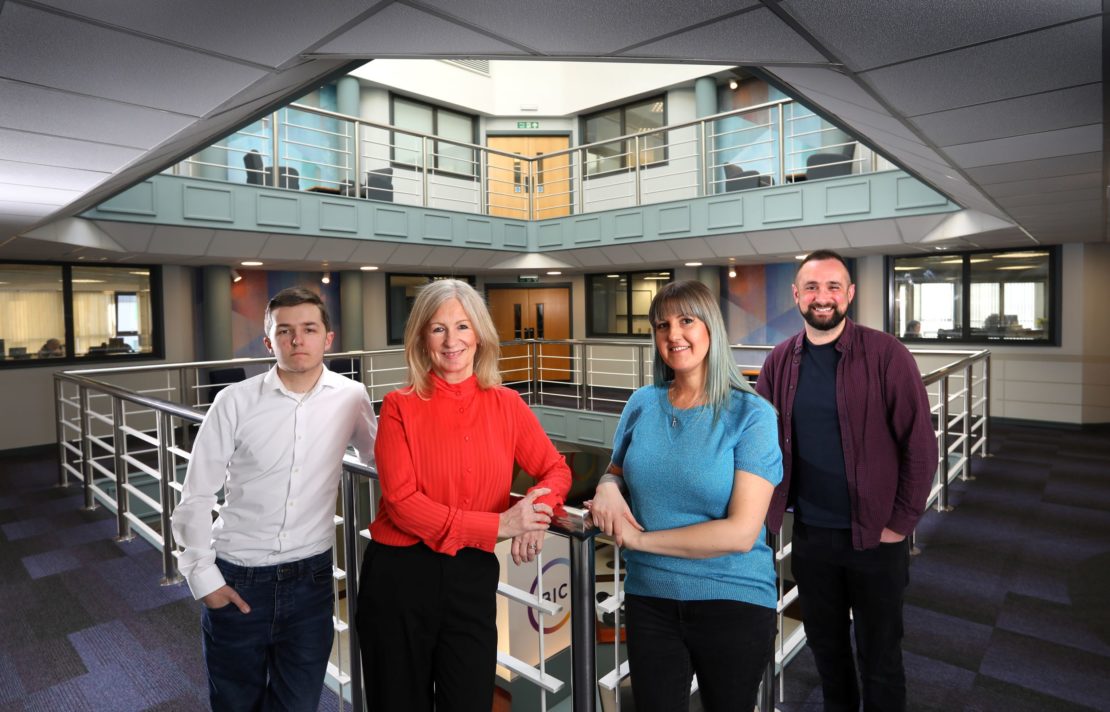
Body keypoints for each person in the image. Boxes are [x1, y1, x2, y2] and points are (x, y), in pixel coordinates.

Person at [356, 278, 571, 712]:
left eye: (462, 326)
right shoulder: (399, 405)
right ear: (421, 338)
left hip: (470, 577)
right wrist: (501, 525)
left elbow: (555, 469)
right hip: (398, 579)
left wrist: (539, 511)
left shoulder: (508, 405)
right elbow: (402, 503)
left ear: (480, 335)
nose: (451, 340)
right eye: (438, 329)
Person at [171, 287, 377, 711]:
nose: (297, 340)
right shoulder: (233, 402)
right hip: (237, 578)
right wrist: (203, 579)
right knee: (235, 703)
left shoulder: (352, 397)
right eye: (285, 331)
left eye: (308, 329)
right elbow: (195, 496)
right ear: (269, 342)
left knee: (299, 704)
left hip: (312, 583)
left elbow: (382, 461)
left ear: (328, 338)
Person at [755, 250, 937, 712]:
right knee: (828, 654)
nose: (823, 297)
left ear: (850, 294)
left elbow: (920, 445)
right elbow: (757, 439)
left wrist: (901, 524)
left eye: (833, 287)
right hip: (812, 537)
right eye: (812, 288)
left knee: (880, 658)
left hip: (877, 537)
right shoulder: (779, 361)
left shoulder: (886, 354)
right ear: (796, 295)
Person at [588, 280, 783, 712]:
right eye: (662, 325)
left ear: (710, 328)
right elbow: (615, 471)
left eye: (686, 321)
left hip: (731, 597)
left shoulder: (752, 416)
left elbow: (739, 532)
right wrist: (606, 488)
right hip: (650, 597)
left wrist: (638, 541)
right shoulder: (642, 403)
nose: (673, 334)